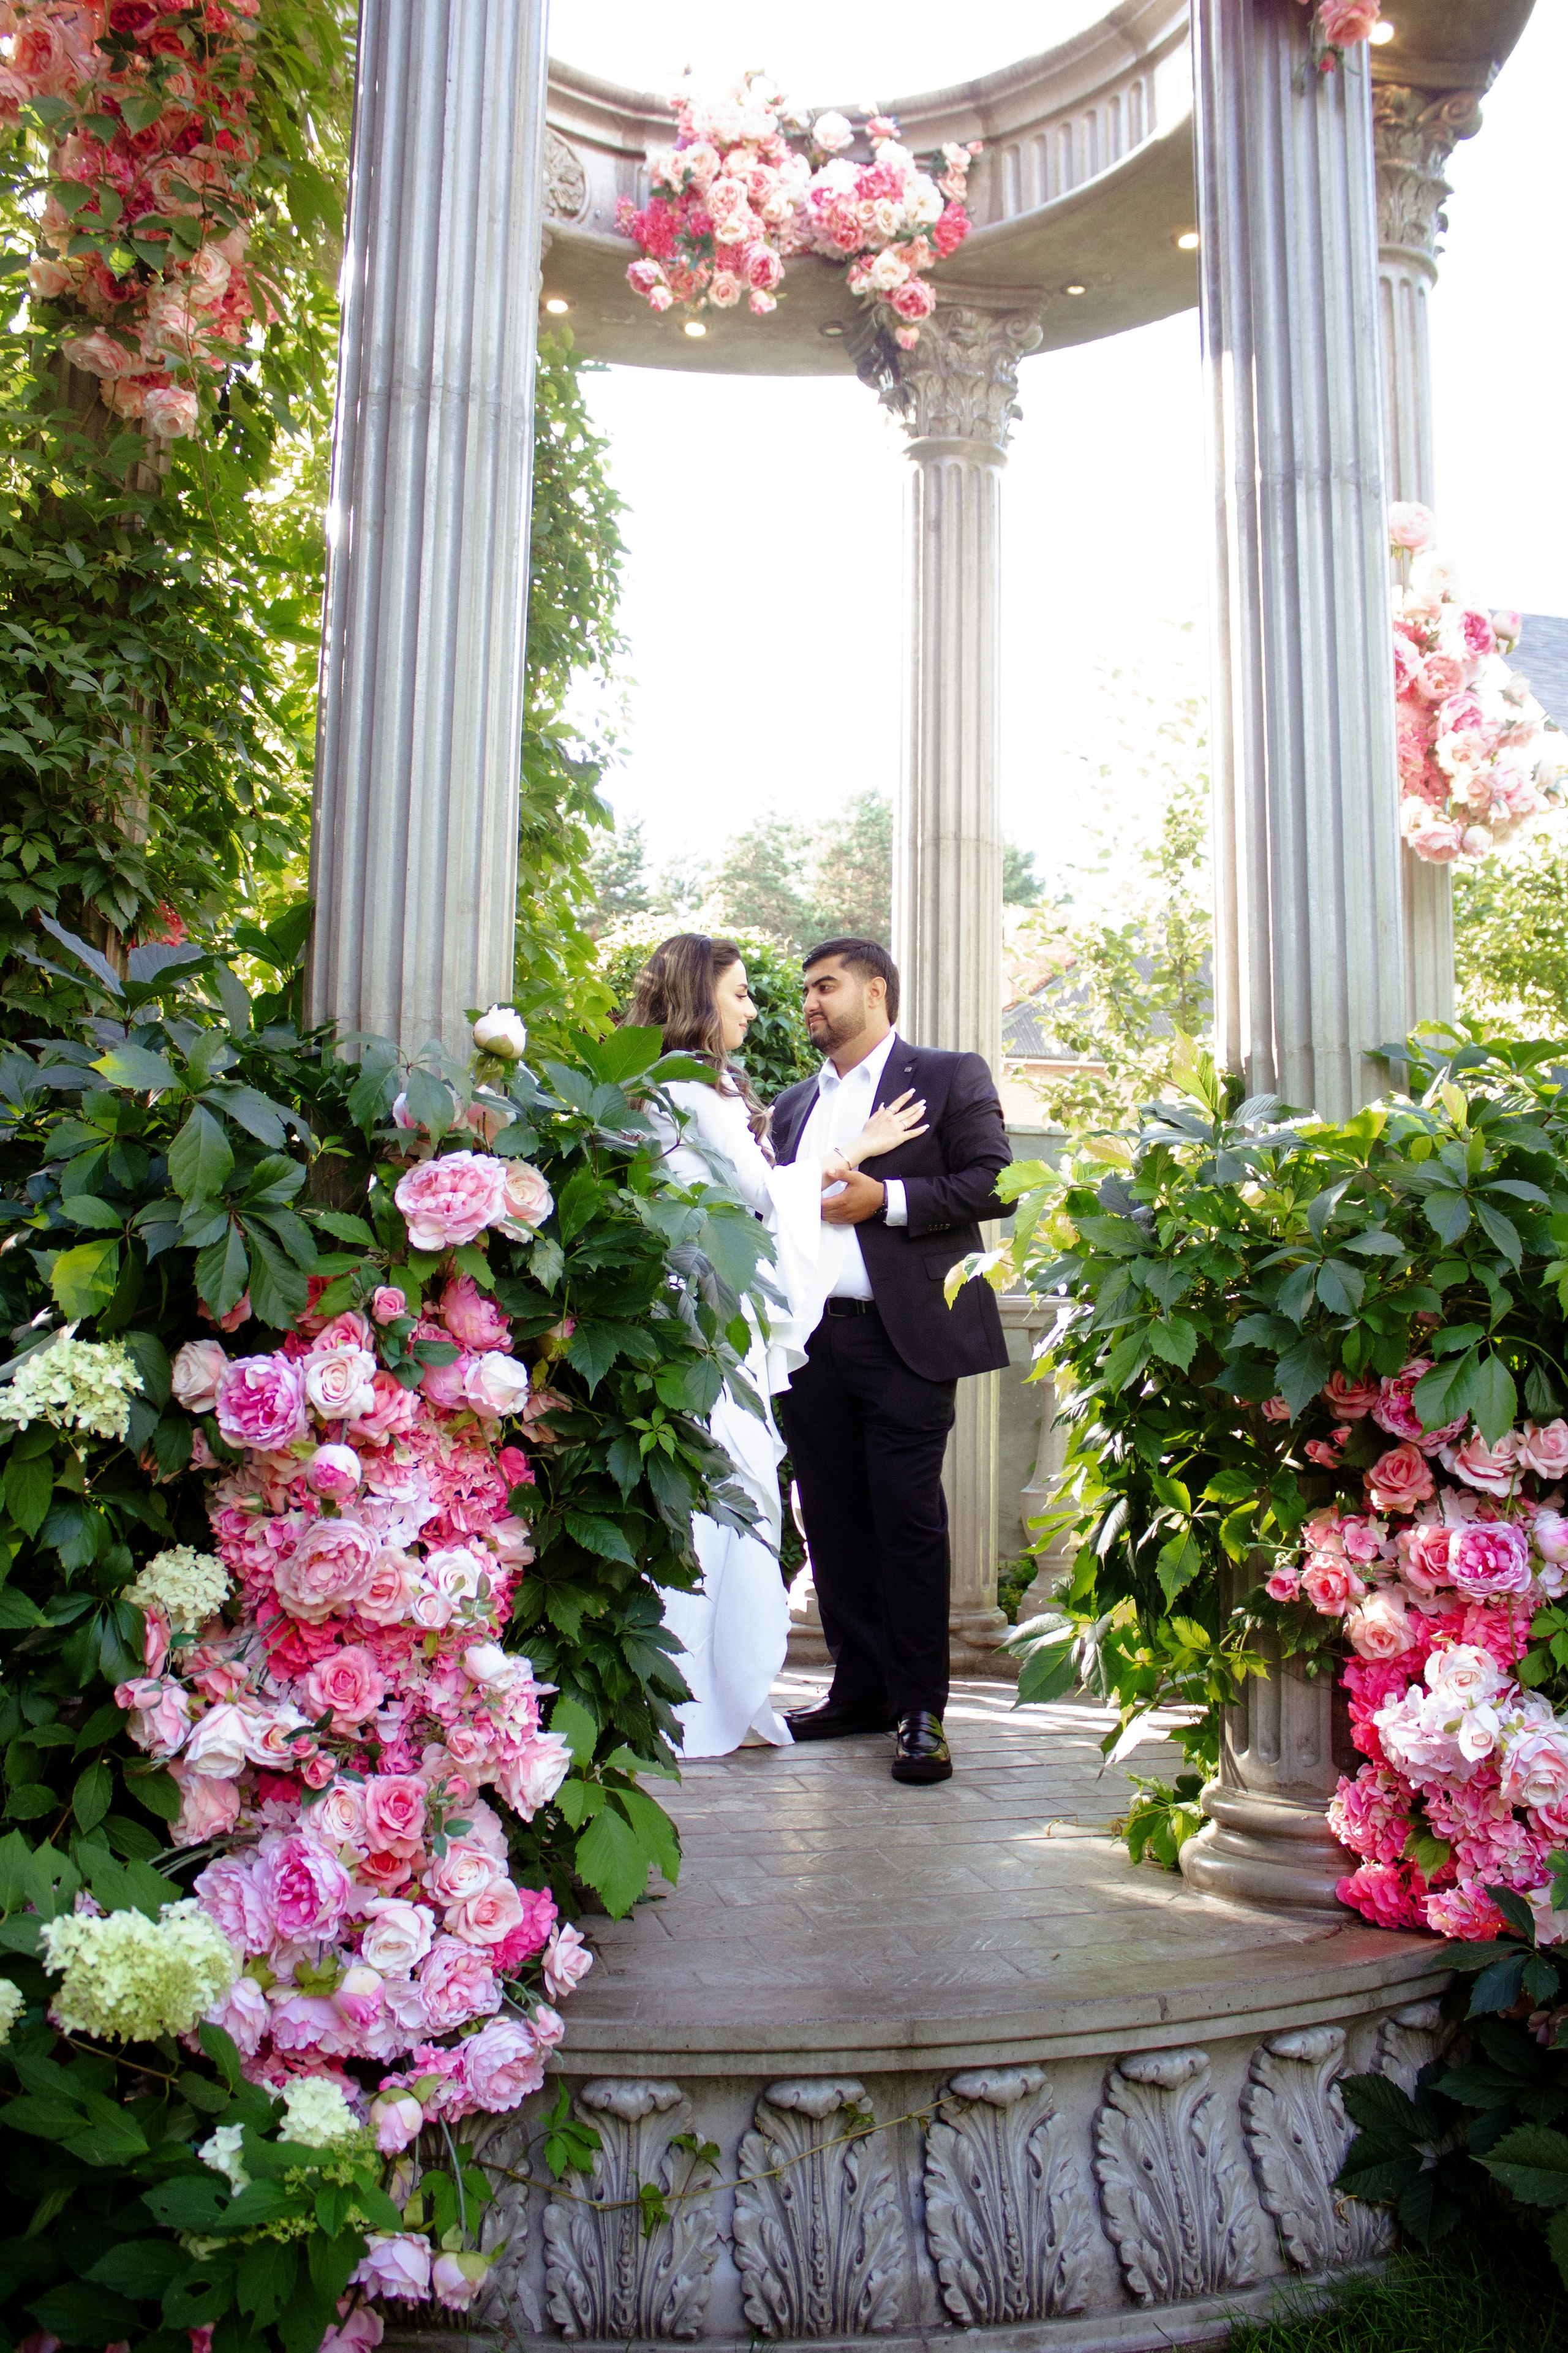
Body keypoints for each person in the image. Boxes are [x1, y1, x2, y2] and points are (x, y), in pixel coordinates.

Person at [628, 934, 927, 1759]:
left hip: (752, 1322)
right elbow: (761, 1192)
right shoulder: (686, 1087)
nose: (756, 1010)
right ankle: (697, 1694)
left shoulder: (698, 1085)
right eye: (740, 994)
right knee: (729, 1494)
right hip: (708, 1322)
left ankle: (718, 1685)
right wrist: (861, 1147)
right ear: (700, 998)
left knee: (745, 1493)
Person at [769, 937, 1011, 1786]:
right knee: (831, 1521)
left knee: (907, 1520)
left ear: (876, 990)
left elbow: (996, 1182)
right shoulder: (793, 1106)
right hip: (810, 1345)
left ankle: (919, 1711)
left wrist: (890, 1201)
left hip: (906, 1339)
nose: (810, 1002)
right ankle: (859, 1691)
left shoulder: (946, 1075)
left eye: (826, 986)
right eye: (806, 989)